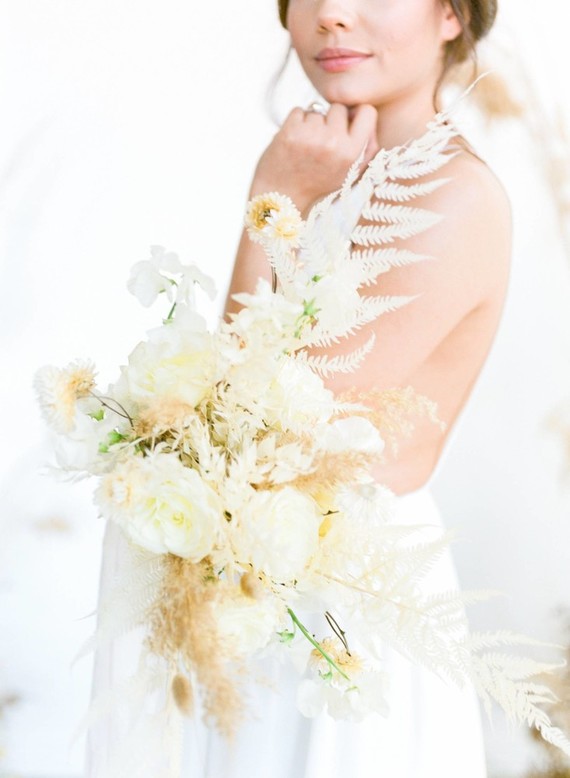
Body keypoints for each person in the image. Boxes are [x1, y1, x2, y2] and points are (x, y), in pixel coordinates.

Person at [185, 0, 510, 776]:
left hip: (354, 612)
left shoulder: (452, 195)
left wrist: (275, 200)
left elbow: (251, 435)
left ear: (452, 15)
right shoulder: (332, 173)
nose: (332, 16)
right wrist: (291, 196)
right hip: (268, 592)